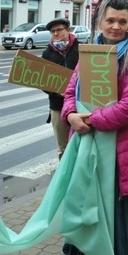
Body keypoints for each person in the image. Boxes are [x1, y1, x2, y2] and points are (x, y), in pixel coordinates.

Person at [61, 0, 128, 255]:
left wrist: (92, 120)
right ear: (99, 21)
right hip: (93, 150)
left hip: (122, 151)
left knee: (122, 208)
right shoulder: (89, 53)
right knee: (95, 205)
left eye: (122, 22)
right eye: (110, 20)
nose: (115, 26)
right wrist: (71, 116)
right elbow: (70, 92)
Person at [42, 18, 79, 160]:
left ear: (68, 30)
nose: (56, 34)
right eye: (53, 31)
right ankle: (65, 177)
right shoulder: (48, 54)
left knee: (80, 144)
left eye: (59, 30)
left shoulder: (80, 49)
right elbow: (42, 81)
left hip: (79, 105)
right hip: (57, 106)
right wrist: (57, 92)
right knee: (63, 148)